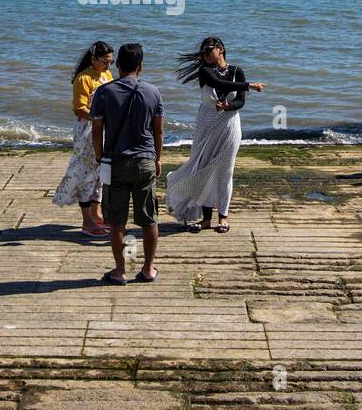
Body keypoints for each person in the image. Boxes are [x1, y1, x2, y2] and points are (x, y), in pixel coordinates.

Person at [166, 37, 265, 234]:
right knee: (202, 167)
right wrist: (249, 85)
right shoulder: (206, 71)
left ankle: (223, 216)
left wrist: (229, 106)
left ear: (220, 49)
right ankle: (206, 218)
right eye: (202, 52)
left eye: (207, 51)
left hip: (229, 124)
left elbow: (240, 102)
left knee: (225, 171)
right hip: (207, 123)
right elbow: (217, 82)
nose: (203, 55)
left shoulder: (237, 71)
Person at [90, 43, 165, 285]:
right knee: (149, 218)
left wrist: (100, 157)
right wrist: (158, 158)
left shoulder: (104, 92)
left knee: (116, 220)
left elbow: (96, 131)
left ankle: (120, 270)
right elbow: (158, 131)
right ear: (140, 66)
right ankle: (148, 268)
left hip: (115, 162)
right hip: (145, 160)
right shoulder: (153, 92)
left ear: (118, 65)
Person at [52, 41, 115, 236]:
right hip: (87, 129)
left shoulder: (106, 75)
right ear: (94, 59)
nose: (108, 66)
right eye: (105, 62)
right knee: (86, 171)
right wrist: (98, 118)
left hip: (104, 127)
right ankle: (86, 221)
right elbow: (79, 108)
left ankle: (96, 215)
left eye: (111, 62)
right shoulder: (83, 78)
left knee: (100, 172)